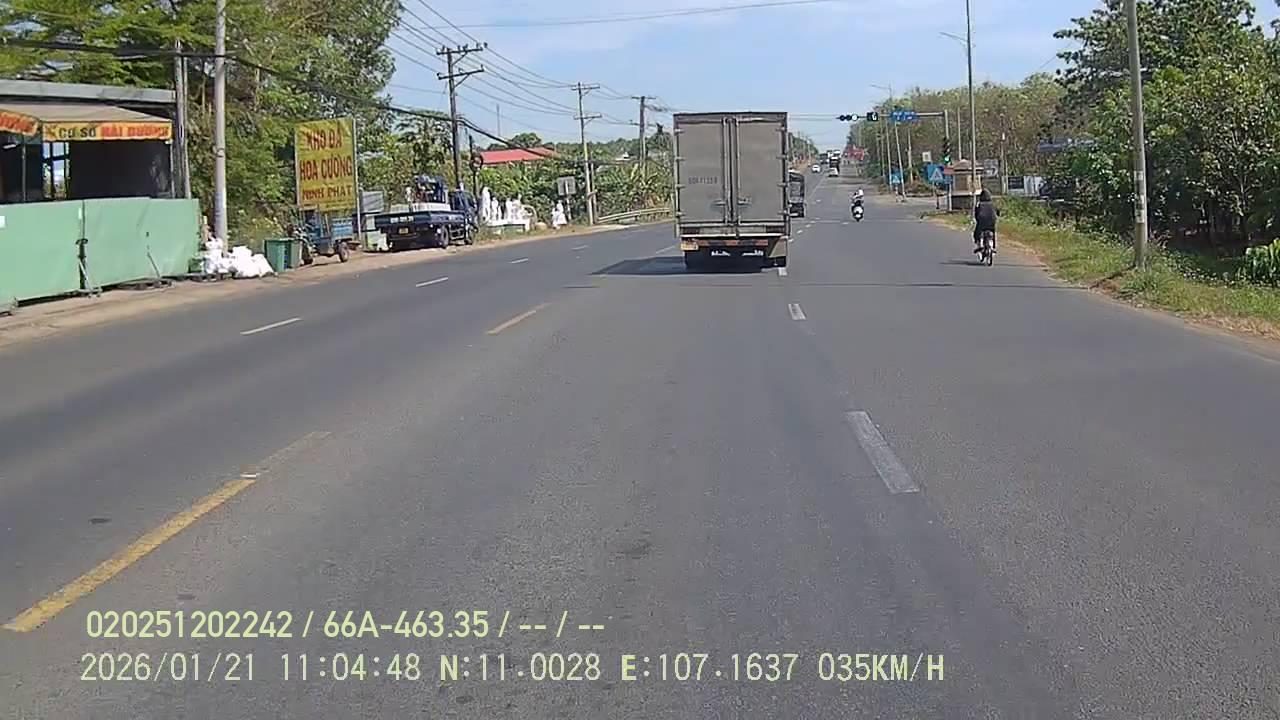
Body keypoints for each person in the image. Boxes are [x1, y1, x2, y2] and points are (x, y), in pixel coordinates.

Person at [973, 188, 999, 253]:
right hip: (992, 222)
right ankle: (993, 246)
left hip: (982, 222)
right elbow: (998, 212)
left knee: (976, 232)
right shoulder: (993, 204)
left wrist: (977, 220)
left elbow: (976, 214)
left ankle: (978, 245)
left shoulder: (979, 204)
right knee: (993, 232)